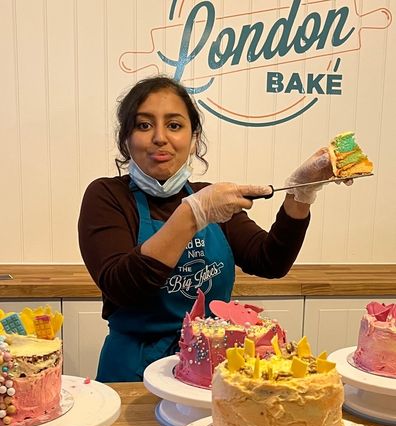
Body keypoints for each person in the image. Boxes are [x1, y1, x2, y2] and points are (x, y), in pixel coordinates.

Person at [78, 75, 337, 382]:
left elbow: (271, 261)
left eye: (174, 125)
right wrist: (193, 214)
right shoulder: (107, 196)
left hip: (212, 368)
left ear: (193, 137)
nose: (160, 137)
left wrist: (299, 195)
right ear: (126, 139)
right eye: (144, 125)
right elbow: (123, 287)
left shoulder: (209, 196)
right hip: (133, 372)